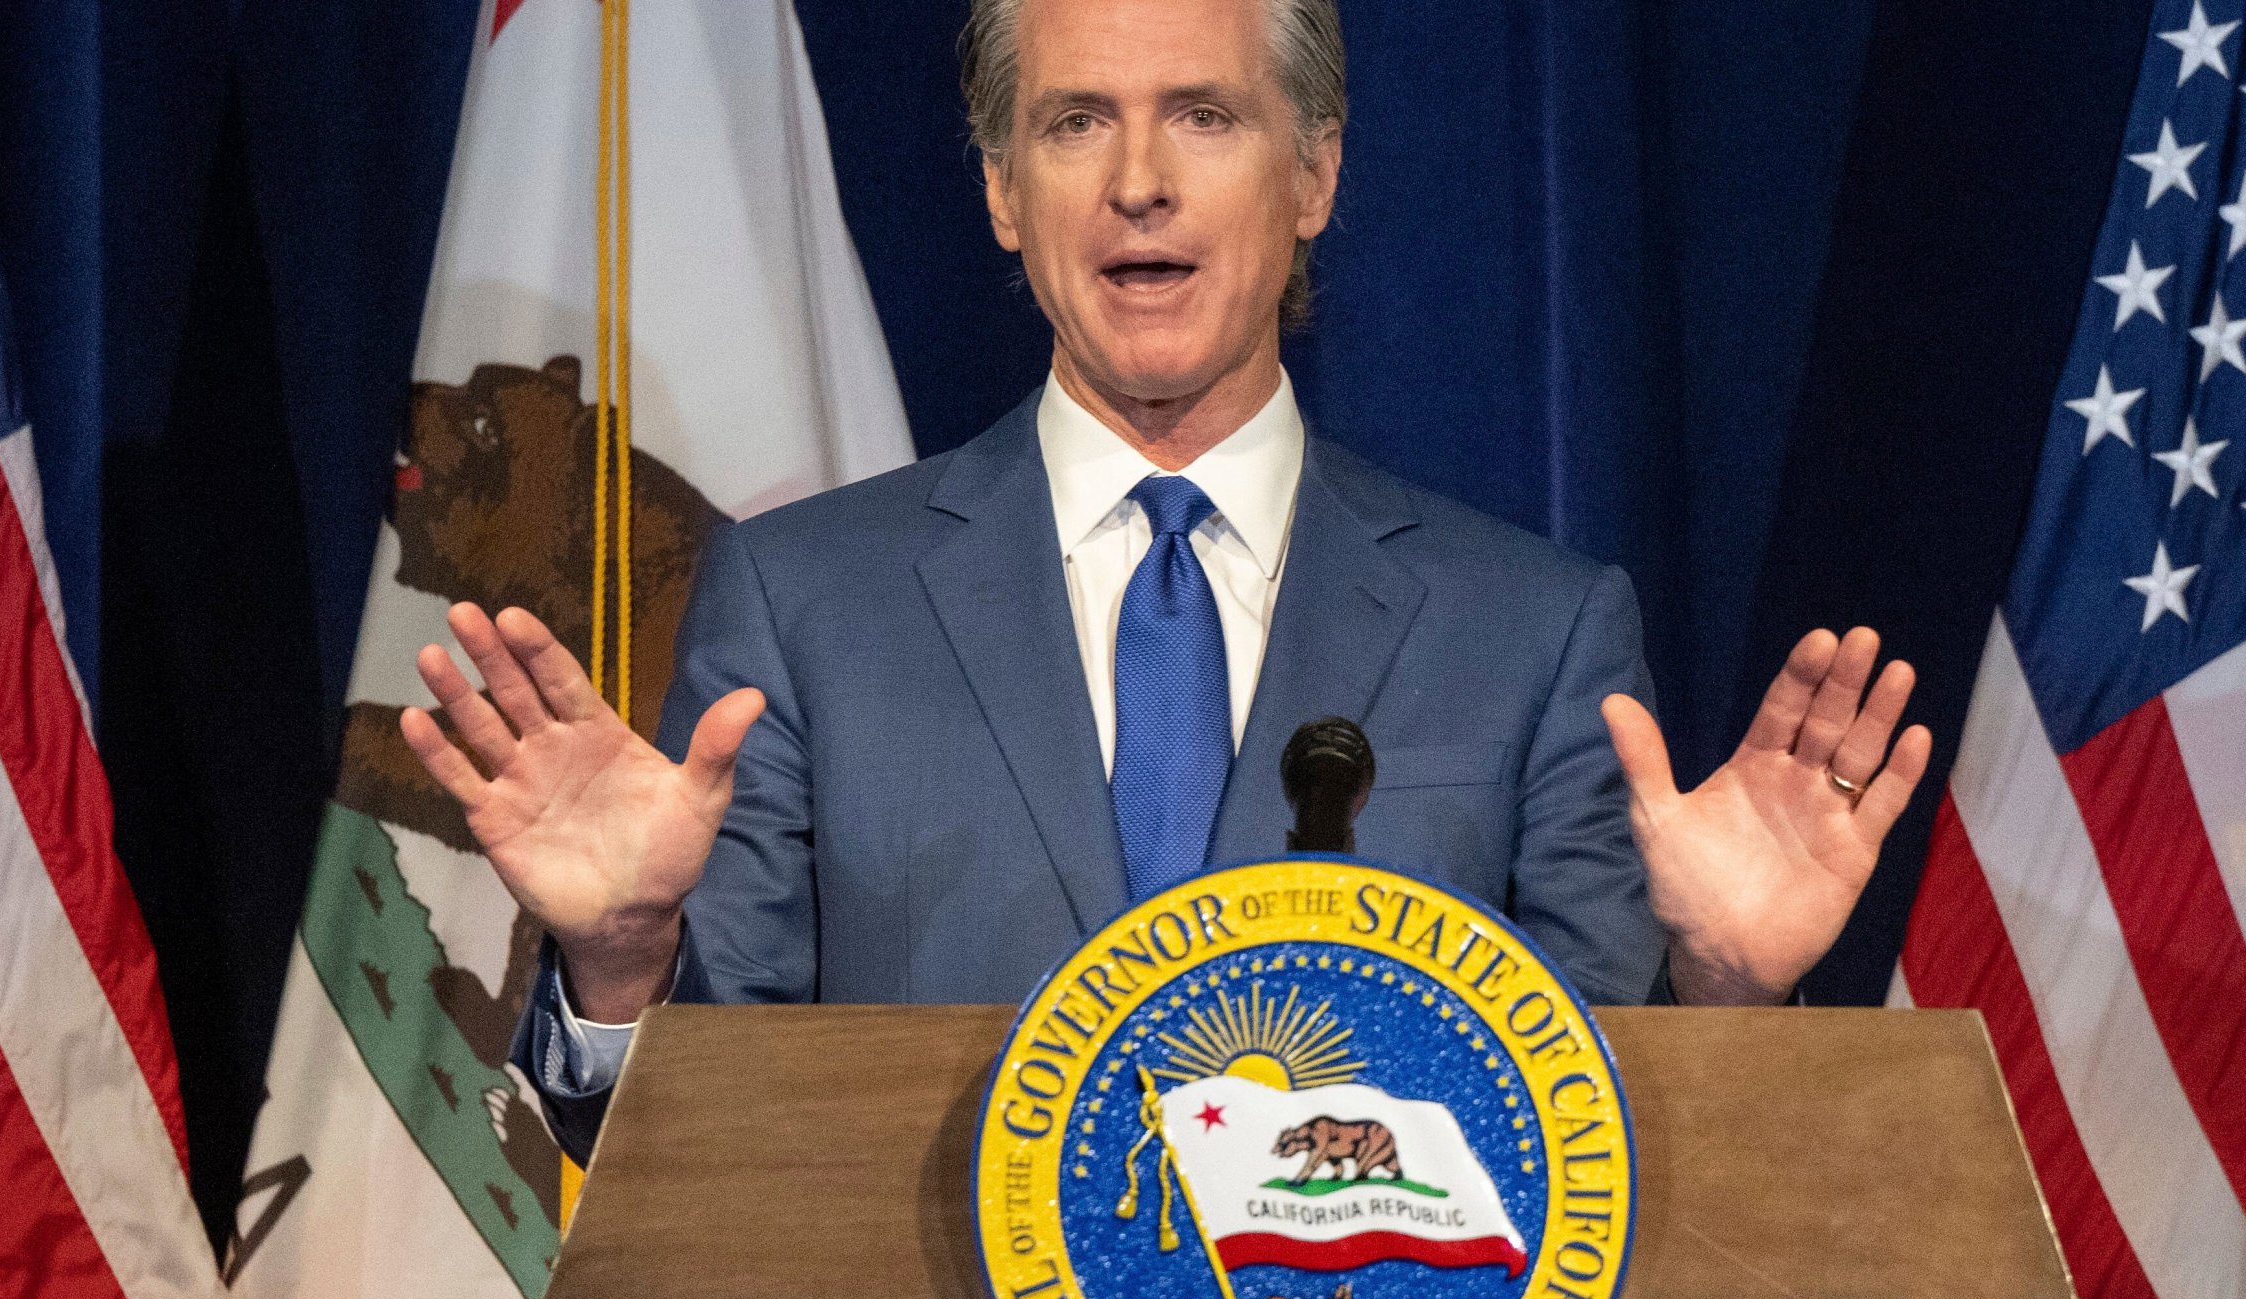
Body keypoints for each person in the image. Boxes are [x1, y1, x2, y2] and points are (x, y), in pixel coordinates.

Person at [401, 0, 1931, 1159]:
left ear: (1315, 172)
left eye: (1202, 115)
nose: (1137, 180)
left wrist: (1726, 996)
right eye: (1074, 124)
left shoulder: (1534, 634)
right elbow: (701, 1162)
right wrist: (615, 963)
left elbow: (1601, 1162)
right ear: (1002, 192)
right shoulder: (806, 607)